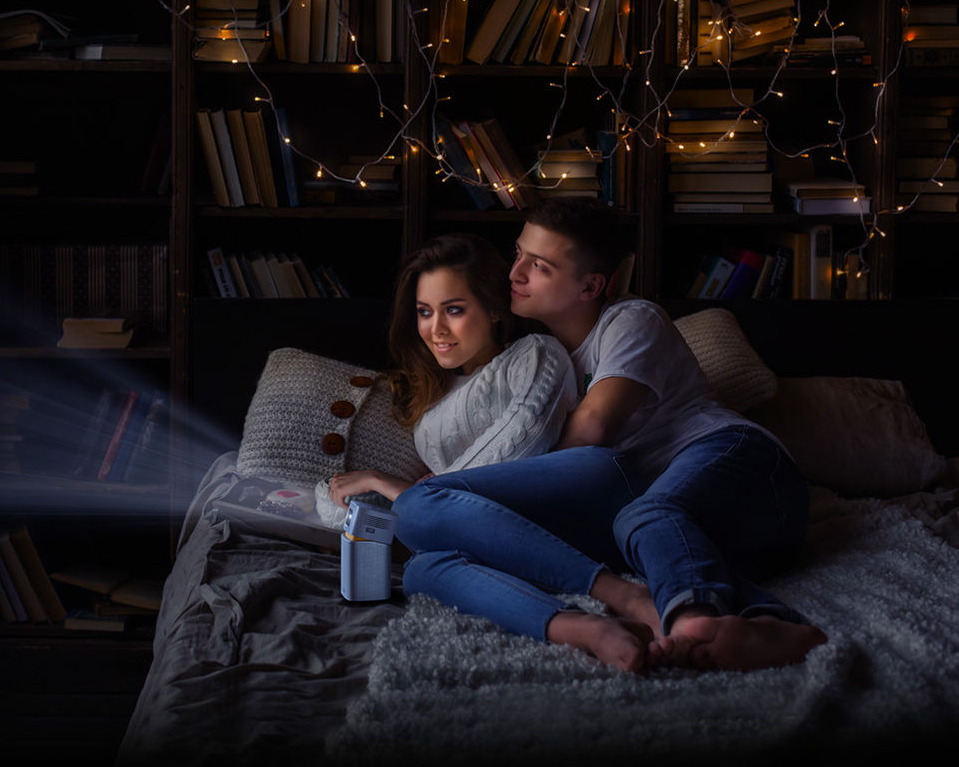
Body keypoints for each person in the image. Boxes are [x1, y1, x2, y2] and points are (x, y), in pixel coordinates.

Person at [506, 197, 827, 671]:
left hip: (745, 467)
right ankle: (772, 624)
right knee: (648, 539)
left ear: (591, 285)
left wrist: (483, 484)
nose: (515, 273)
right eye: (518, 253)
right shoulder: (531, 357)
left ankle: (691, 622)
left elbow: (593, 429)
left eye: (539, 265)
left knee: (646, 515)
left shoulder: (631, 319)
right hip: (727, 536)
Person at [323, 233, 660, 672]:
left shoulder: (536, 354)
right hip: (494, 527)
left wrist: (389, 485)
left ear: (494, 309)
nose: (435, 329)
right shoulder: (433, 397)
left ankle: (623, 592)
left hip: (576, 498)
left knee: (416, 509)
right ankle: (581, 628)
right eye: (424, 312)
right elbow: (439, 503)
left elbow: (520, 449)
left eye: (454, 310)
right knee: (422, 570)